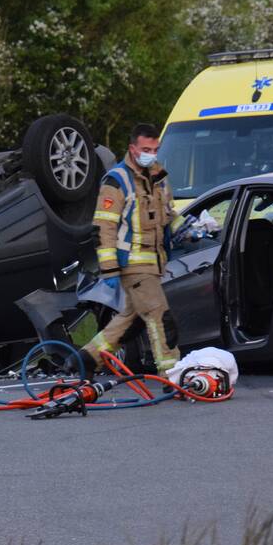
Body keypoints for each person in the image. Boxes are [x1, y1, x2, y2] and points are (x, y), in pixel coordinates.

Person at [79, 123, 184, 377]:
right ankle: (171, 373)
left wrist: (190, 228)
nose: (151, 154)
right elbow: (103, 226)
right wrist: (110, 269)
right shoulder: (117, 180)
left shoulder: (159, 177)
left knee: (131, 319)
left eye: (155, 149)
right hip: (133, 264)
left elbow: (167, 215)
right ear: (132, 149)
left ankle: (88, 358)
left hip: (154, 262)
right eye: (146, 150)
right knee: (160, 316)